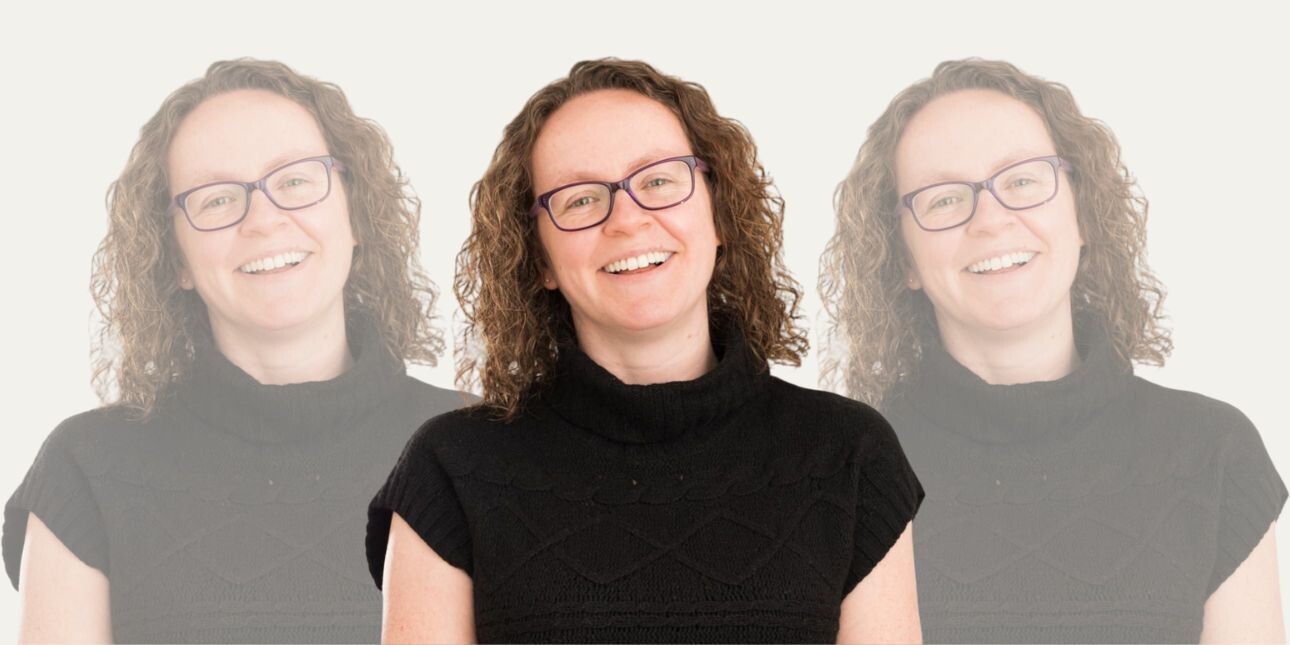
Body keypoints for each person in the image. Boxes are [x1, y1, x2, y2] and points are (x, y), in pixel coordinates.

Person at [366, 58, 925, 644]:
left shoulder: (850, 454)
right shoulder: (451, 467)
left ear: (719, 214)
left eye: (658, 180)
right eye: (580, 200)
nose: (628, 220)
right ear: (539, 259)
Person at [820, 58, 1287, 643]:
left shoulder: (1213, 453)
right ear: (903, 259)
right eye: (943, 199)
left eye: (1022, 181)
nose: (991, 220)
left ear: (1082, 214)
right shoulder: (843, 469)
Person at [2, 59, 462, 643]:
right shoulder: (85, 467)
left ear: (357, 215)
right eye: (217, 200)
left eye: (294, 181)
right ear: (175, 257)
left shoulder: (479, 444)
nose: (263, 220)